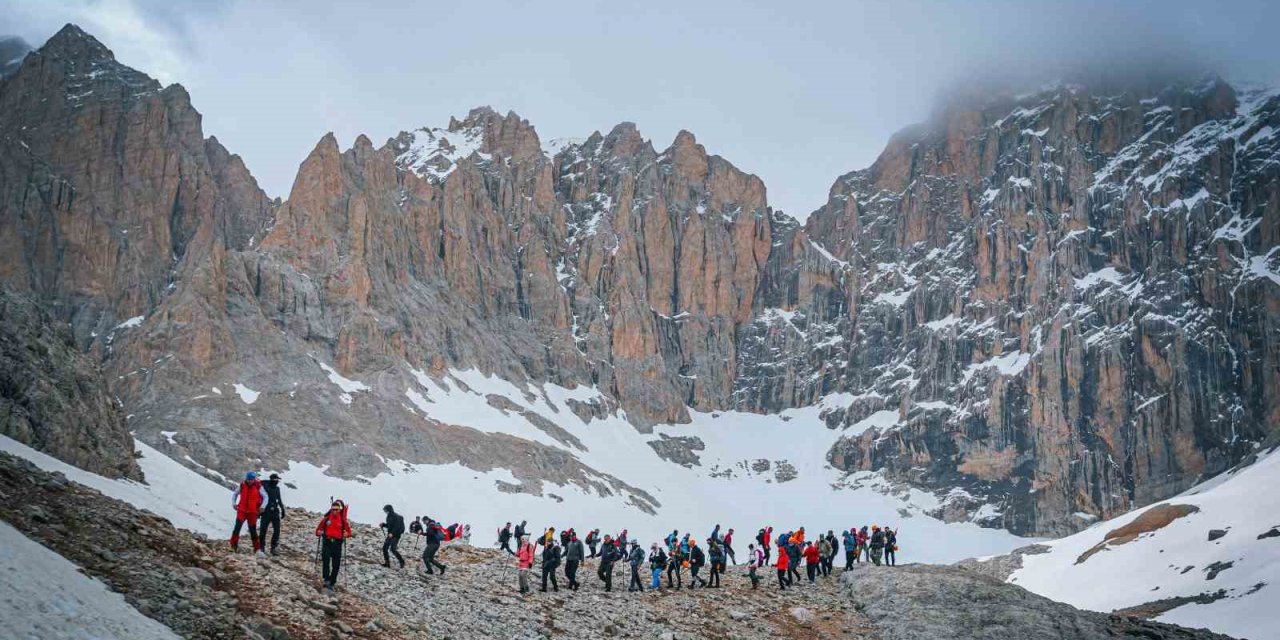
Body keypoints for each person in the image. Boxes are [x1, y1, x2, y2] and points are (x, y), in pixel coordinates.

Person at [314, 500, 352, 592]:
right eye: (333, 509)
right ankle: (326, 580)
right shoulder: (326, 519)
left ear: (339, 510)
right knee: (326, 560)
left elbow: (349, 532)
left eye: (336, 510)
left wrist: (346, 534)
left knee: (336, 564)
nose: (334, 511)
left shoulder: (343, 521)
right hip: (327, 541)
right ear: (331, 509)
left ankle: (332, 581)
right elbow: (317, 530)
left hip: (337, 543)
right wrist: (319, 532)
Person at [230, 471, 267, 555]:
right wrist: (233, 503)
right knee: (237, 528)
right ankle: (233, 546)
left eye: (252, 479)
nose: (250, 481)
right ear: (246, 479)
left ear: (254, 479)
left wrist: (263, 506)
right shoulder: (242, 485)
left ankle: (257, 549)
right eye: (248, 479)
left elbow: (265, 496)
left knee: (253, 530)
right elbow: (235, 494)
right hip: (242, 510)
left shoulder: (258, 486)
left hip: (253, 512)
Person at [256, 473, 286, 556]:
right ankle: (261, 547)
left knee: (277, 530)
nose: (277, 481)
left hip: (275, 511)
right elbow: (258, 485)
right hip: (265, 512)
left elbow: (279, 499)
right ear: (272, 480)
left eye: (278, 480)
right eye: (276, 480)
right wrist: (258, 512)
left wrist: (282, 509)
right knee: (263, 530)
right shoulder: (265, 487)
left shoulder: (277, 488)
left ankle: (273, 547)